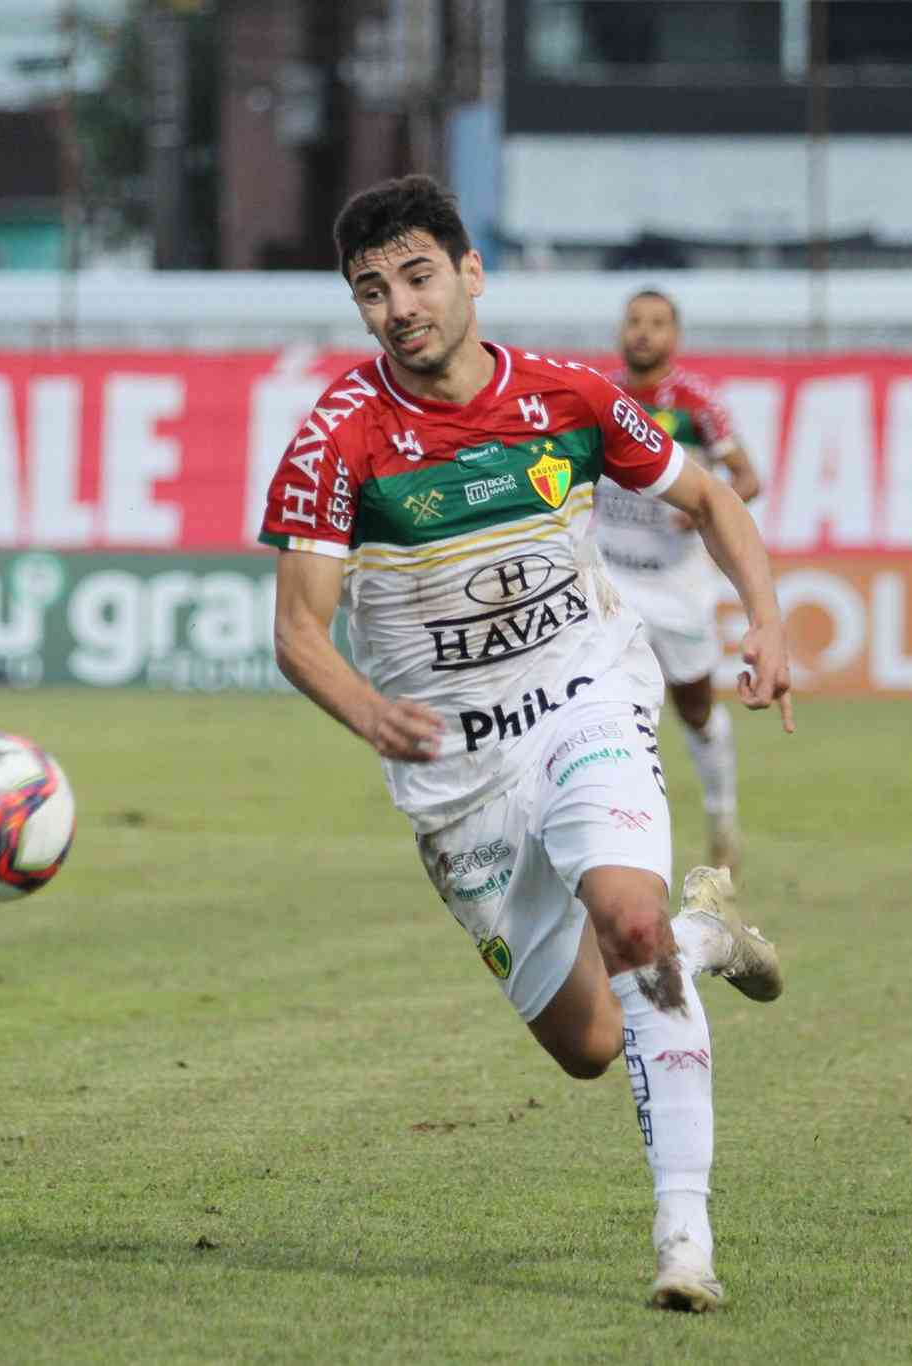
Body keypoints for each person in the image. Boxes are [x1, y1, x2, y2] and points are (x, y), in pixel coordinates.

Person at [260, 175, 793, 1311]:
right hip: (455, 779)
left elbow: (710, 499)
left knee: (626, 918)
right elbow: (296, 632)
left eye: (415, 276)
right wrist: (366, 711)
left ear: (469, 273)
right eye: (370, 290)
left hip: (585, 700)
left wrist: (765, 618)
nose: (397, 306)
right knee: (589, 1044)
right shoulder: (336, 439)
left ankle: (683, 1240)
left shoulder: (569, 398)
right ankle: (707, 937)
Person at [595, 291, 763, 877]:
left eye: (657, 323)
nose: (643, 332)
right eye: (634, 321)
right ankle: (620, 836)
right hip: (610, 581)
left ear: (676, 335)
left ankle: (722, 816)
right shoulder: (598, 395)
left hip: (678, 587)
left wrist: (701, 512)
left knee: (694, 708)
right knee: (606, 705)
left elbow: (746, 477)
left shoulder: (696, 403)